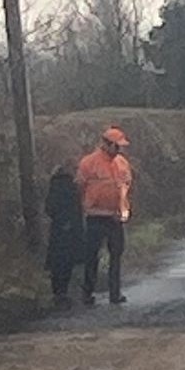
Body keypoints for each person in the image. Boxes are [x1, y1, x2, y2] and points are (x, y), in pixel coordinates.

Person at [76, 126, 133, 306]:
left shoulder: (122, 163)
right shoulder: (89, 163)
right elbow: (80, 187)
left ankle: (115, 294)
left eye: (121, 147)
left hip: (116, 217)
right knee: (92, 256)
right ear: (106, 145)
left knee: (116, 256)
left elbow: (127, 186)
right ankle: (87, 293)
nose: (119, 150)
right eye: (117, 146)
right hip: (95, 217)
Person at [44, 160, 84, 308]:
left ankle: (57, 292)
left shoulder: (54, 186)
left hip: (57, 229)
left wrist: (58, 220)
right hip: (71, 229)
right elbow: (77, 209)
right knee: (67, 262)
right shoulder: (72, 187)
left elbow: (49, 208)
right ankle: (63, 292)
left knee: (56, 262)